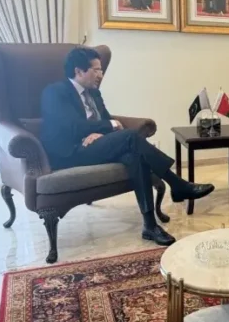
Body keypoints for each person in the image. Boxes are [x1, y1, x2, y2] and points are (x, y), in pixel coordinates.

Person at [39, 47, 215, 246]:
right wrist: (107, 127)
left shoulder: (94, 94)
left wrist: (101, 132)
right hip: (70, 152)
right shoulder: (55, 92)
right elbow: (72, 126)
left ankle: (150, 225)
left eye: (101, 70)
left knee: (135, 156)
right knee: (131, 137)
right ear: (79, 71)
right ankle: (177, 184)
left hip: (93, 146)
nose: (101, 74)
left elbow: (103, 121)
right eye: (96, 70)